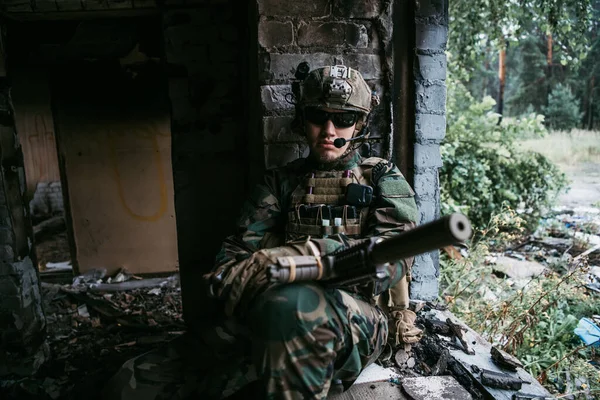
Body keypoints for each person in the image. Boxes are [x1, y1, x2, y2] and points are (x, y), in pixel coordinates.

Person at [103, 64, 422, 400]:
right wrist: (252, 278)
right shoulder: (281, 183)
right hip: (269, 312)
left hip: (358, 318)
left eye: (342, 119)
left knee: (293, 306)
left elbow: (393, 255)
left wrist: (295, 258)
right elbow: (231, 264)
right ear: (303, 119)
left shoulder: (381, 177)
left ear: (359, 124)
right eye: (318, 116)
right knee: (129, 383)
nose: (329, 130)